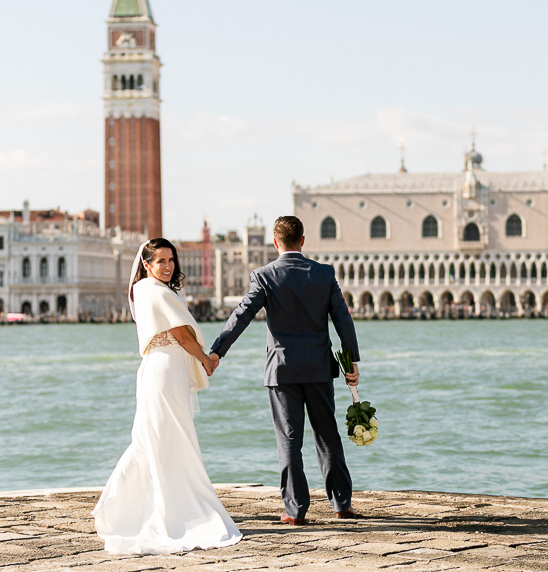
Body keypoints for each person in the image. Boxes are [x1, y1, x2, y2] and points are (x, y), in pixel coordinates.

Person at [92, 238, 242, 554]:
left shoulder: (143, 290)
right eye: (160, 260)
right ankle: (166, 510)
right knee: (170, 438)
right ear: (146, 264)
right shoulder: (156, 290)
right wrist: (206, 359)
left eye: (170, 260)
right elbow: (181, 334)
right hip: (164, 370)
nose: (167, 266)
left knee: (153, 439)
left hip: (159, 369)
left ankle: (119, 510)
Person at [209, 215, 361, 525]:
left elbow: (241, 316)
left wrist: (217, 352)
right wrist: (351, 360)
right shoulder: (324, 273)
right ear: (303, 241)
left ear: (275, 243)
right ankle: (341, 504)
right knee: (327, 435)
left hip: (281, 369)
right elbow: (342, 319)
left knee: (289, 440)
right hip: (319, 367)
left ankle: (295, 511)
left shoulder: (264, 276)